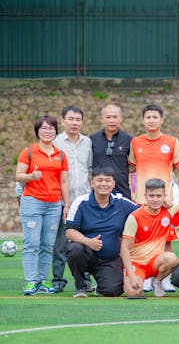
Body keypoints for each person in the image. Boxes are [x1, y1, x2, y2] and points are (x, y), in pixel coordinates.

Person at [16, 115, 70, 295]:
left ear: (56, 131)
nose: (48, 131)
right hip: (32, 202)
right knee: (32, 243)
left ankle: (42, 280)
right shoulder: (29, 152)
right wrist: (31, 177)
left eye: (51, 128)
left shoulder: (60, 154)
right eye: (44, 128)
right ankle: (31, 281)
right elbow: (19, 176)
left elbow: (64, 182)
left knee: (48, 245)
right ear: (38, 131)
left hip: (54, 204)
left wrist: (67, 204)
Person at [65, 167, 138, 298]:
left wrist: (167, 203)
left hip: (110, 259)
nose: (103, 184)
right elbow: (69, 232)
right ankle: (80, 285)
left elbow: (143, 213)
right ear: (92, 183)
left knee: (112, 291)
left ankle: (101, 285)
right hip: (87, 254)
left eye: (107, 181)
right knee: (74, 249)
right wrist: (88, 242)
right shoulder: (80, 202)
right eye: (99, 180)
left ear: (113, 184)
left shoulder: (122, 203)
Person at [51, 106, 93, 293]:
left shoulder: (87, 142)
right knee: (60, 243)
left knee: (84, 242)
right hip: (61, 200)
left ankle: (85, 280)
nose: (75, 123)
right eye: (71, 119)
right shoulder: (55, 142)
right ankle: (58, 280)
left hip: (83, 201)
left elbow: (90, 169)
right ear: (63, 121)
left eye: (78, 119)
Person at [120, 178, 179, 298]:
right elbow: (124, 248)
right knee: (134, 293)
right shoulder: (135, 217)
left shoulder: (169, 210)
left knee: (171, 258)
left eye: (159, 196)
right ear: (145, 196)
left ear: (165, 196)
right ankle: (130, 277)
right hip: (137, 264)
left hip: (154, 263)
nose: (155, 199)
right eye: (151, 196)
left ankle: (157, 282)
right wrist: (132, 275)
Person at [129, 104, 179, 204]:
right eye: (148, 117)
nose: (151, 120)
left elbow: (178, 167)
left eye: (155, 117)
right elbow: (132, 168)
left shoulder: (172, 142)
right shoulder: (135, 142)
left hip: (165, 200)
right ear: (143, 120)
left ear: (161, 120)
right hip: (141, 199)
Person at [90, 103, 133, 199]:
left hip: (122, 190)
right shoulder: (92, 139)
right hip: (99, 190)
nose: (112, 120)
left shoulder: (128, 140)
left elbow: (134, 165)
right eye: (108, 117)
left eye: (115, 117)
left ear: (120, 118)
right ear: (102, 119)